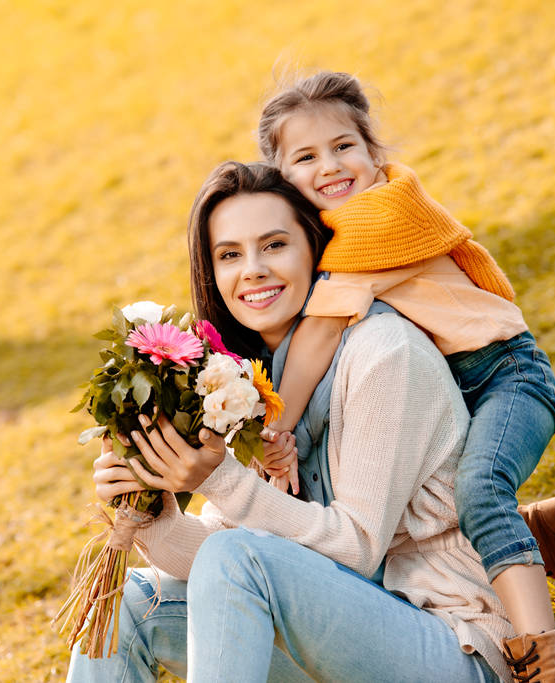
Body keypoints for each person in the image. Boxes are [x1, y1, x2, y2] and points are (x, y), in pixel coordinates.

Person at [68, 161, 527, 682]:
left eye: (275, 245)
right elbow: (223, 572)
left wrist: (219, 480)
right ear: (212, 274)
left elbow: (355, 548)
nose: (253, 270)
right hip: (331, 642)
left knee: (237, 552)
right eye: (230, 255)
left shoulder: (384, 352)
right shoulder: (245, 388)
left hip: (447, 644)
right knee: (134, 601)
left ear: (315, 249)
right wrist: (152, 513)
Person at [254, 70, 555, 679]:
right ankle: (545, 537)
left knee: (478, 492)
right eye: (306, 156)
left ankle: (541, 656)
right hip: (450, 381)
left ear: (373, 151)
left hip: (504, 376)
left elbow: (317, 335)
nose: (331, 166)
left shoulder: (380, 217)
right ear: (283, 178)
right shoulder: (335, 231)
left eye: (344, 147)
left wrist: (272, 418)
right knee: (421, 501)